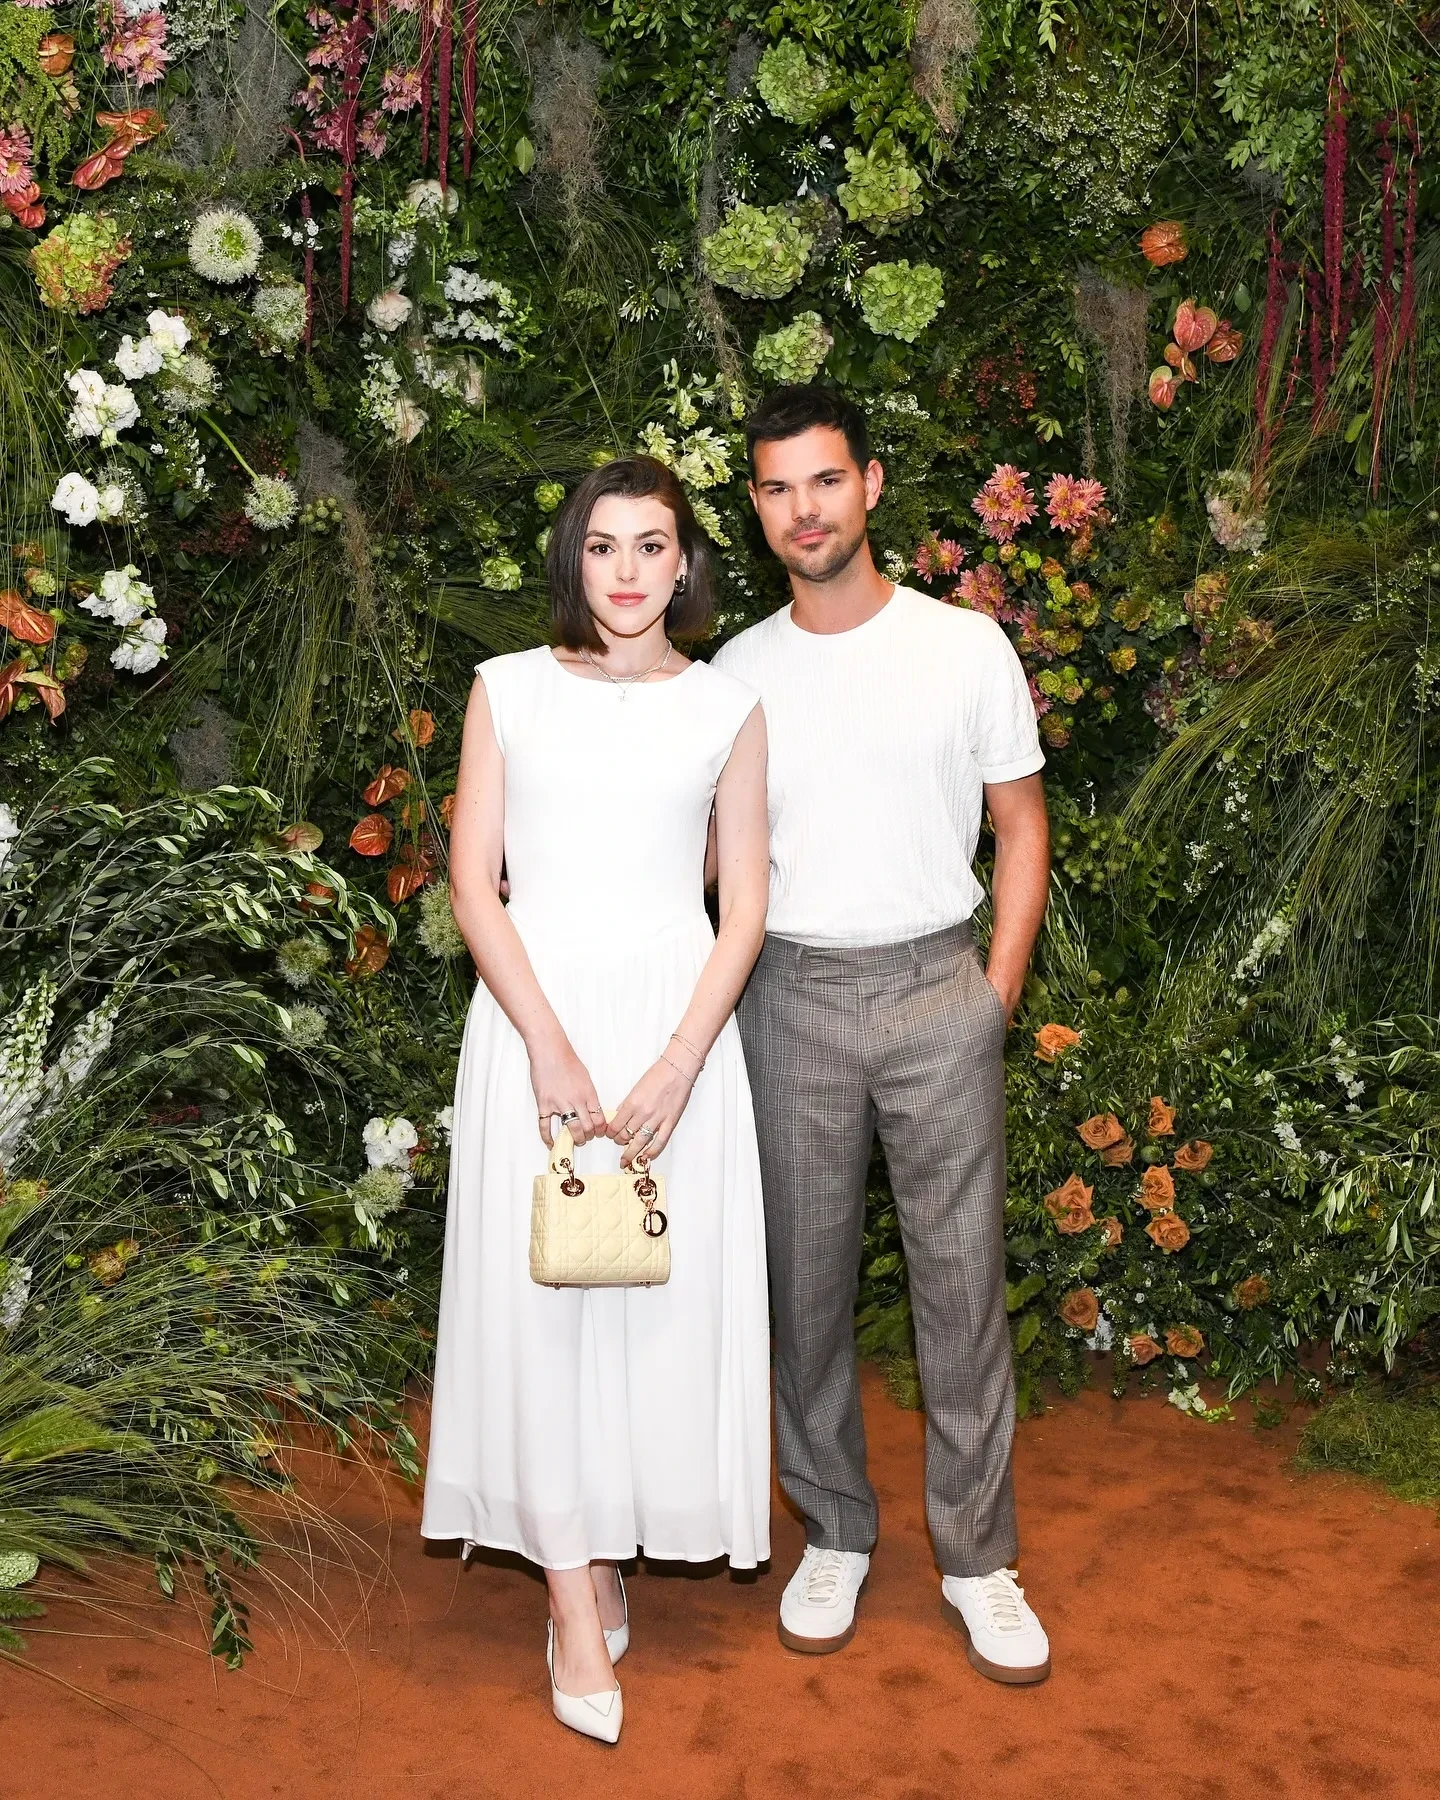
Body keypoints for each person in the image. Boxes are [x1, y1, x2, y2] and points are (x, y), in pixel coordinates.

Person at [421, 455, 772, 1744]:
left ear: (685, 565)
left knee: (649, 1305)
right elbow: (475, 886)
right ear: (575, 558)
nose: (627, 571)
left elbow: (746, 906)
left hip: (677, 1031)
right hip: (537, 1022)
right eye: (603, 545)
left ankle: (608, 1542)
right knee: (545, 1309)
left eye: (652, 546)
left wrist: (681, 1058)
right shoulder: (506, 689)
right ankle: (571, 1600)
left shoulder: (729, 708)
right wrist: (549, 1047)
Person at [712, 384, 1053, 1684]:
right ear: (758, 507)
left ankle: (978, 1558)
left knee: (961, 1289)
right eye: (777, 487)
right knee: (803, 1291)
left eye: (824, 479)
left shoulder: (964, 649)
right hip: (786, 995)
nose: (804, 508)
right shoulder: (734, 674)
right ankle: (836, 1531)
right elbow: (707, 860)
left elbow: (1020, 826)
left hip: (935, 988)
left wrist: (991, 997)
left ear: (870, 484)